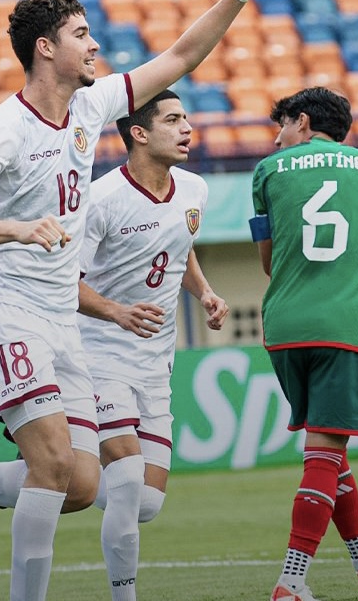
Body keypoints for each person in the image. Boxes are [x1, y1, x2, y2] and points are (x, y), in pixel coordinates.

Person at [0, 0, 297, 600]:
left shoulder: (90, 109)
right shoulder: (5, 130)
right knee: (56, 463)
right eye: (81, 35)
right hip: (5, 306)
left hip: (59, 317)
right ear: (45, 48)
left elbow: (179, 58)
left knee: (79, 485)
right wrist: (16, 227)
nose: (95, 46)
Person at [77, 89, 229, 600]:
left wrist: (204, 291)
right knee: (123, 482)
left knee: (144, 502)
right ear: (138, 134)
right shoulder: (99, 200)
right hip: (97, 353)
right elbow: (62, 283)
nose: (187, 127)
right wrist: (115, 311)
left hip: (155, 361)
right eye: (172, 119)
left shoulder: (194, 190)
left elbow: (177, 250)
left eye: (186, 117)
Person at [249, 87, 358, 601]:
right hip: (344, 326)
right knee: (326, 448)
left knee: (327, 448)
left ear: (305, 122)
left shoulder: (268, 172)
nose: (278, 137)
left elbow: (269, 262)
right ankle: (292, 580)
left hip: (284, 327)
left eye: (283, 125)